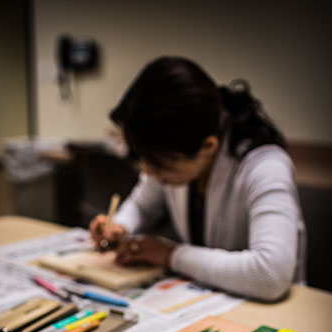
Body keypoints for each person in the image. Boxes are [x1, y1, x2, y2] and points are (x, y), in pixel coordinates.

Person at [90, 56, 307, 301]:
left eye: (157, 162)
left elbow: (270, 273)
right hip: (208, 298)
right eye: (143, 158)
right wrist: (120, 226)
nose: (147, 171)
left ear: (207, 146)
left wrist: (170, 255)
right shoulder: (179, 153)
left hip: (273, 313)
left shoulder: (265, 166)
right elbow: (142, 206)